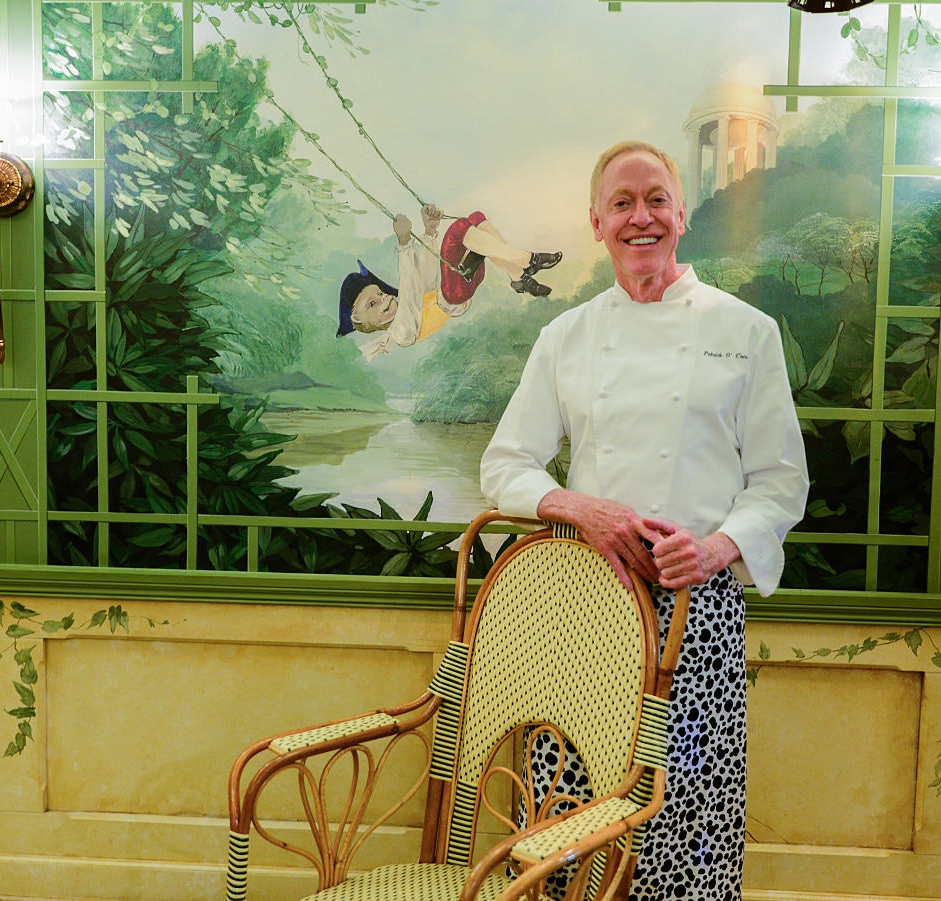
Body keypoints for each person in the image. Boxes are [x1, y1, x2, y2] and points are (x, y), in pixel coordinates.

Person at [480, 140, 809, 899]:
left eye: (657, 199)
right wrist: (576, 506)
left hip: (696, 616)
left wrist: (718, 547)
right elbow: (506, 465)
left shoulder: (747, 331)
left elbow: (780, 482)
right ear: (596, 223)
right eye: (622, 203)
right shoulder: (565, 336)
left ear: (681, 214)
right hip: (586, 612)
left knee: (687, 805)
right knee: (571, 800)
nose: (641, 217)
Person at [336, 203, 561, 361]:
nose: (383, 298)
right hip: (454, 295)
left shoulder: (409, 310)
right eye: (372, 304)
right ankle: (527, 259)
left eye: (379, 294)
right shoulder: (401, 333)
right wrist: (404, 244)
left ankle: (518, 276)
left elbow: (425, 280)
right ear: (358, 319)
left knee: (475, 219)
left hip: (459, 286)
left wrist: (429, 232)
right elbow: (410, 292)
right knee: (459, 230)